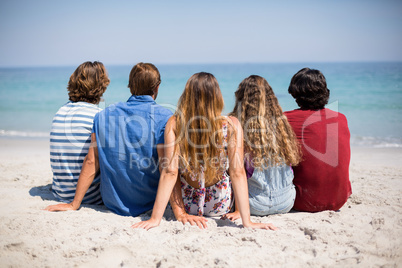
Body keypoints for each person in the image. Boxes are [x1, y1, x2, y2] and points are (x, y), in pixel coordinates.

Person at [132, 72, 277, 231]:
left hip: (189, 205)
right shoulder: (231, 124)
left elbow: (170, 172)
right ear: (217, 96)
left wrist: (155, 218)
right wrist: (247, 221)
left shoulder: (175, 123)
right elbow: (237, 172)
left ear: (187, 96)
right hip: (219, 206)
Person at [46, 62, 173, 216]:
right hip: (149, 202)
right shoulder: (166, 117)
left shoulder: (101, 115)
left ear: (130, 86)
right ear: (157, 87)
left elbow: (92, 161)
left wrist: (74, 204)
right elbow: (168, 170)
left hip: (111, 202)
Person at [226, 75, 301, 218]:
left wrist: (238, 209)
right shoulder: (282, 125)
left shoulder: (237, 125)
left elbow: (236, 171)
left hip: (252, 204)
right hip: (286, 202)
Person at [284, 67, 352, 212]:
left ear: (295, 92)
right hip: (340, 198)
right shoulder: (341, 118)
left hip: (305, 200)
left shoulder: (287, 119)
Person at [50, 61, 110, 205]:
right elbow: (93, 161)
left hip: (60, 192)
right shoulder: (98, 115)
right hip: (89, 196)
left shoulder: (60, 112)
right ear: (101, 85)